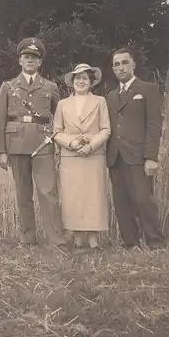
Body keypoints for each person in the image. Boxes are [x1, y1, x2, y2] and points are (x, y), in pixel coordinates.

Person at [0, 37, 67, 247]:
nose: (30, 60)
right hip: (15, 144)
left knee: (48, 192)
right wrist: (1, 151)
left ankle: (56, 239)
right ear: (20, 60)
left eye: (34, 57)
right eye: (26, 56)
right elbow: (0, 120)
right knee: (23, 193)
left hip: (43, 143)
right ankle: (27, 238)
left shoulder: (50, 87)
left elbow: (60, 116)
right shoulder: (8, 87)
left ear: (40, 62)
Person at [106, 47, 167, 249]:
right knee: (121, 201)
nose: (120, 68)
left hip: (139, 155)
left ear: (133, 65)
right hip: (115, 156)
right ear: (113, 69)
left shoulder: (147, 89)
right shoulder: (111, 96)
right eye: (116, 64)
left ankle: (156, 242)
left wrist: (151, 157)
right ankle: (130, 242)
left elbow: (154, 125)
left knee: (143, 199)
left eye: (124, 63)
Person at [53, 63, 111, 251]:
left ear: (91, 81)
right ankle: (78, 240)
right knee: (74, 196)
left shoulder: (100, 101)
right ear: (72, 81)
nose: (81, 81)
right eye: (77, 78)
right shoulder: (63, 104)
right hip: (71, 157)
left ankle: (94, 241)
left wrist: (92, 145)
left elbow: (105, 129)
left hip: (94, 156)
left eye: (85, 78)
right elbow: (56, 131)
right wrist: (73, 143)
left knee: (94, 196)